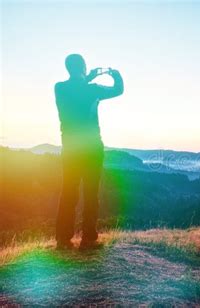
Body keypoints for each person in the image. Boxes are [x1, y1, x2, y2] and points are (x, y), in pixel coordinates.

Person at [55, 54, 124, 249]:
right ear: (83, 67)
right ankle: (88, 239)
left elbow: (76, 88)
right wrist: (116, 75)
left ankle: (63, 239)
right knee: (91, 193)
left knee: (68, 192)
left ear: (67, 68)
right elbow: (118, 90)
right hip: (92, 147)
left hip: (69, 148)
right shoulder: (92, 89)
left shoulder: (59, 88)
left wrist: (88, 77)